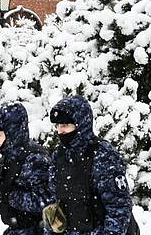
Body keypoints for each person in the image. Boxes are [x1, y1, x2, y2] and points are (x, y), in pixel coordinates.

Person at [43, 95, 136, 235]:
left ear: (80, 124)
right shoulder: (59, 155)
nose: (59, 131)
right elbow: (54, 201)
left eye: (65, 125)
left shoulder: (103, 155)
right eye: (57, 126)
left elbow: (119, 207)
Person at [0, 104, 51, 235]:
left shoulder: (35, 160)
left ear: (12, 133)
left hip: (35, 230)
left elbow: (46, 200)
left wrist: (11, 195)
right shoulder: (9, 155)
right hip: (16, 228)